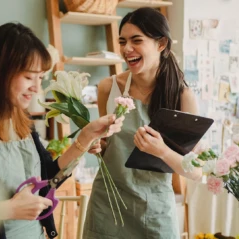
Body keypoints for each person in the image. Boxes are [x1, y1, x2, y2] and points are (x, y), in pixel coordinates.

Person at [0, 22, 124, 239]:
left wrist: (86, 137)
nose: (37, 88)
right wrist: (8, 209)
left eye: (40, 78)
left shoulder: (20, 119)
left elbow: (47, 176)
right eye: (29, 77)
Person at [83, 7, 202, 239]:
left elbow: (195, 171)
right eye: (122, 41)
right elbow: (109, 146)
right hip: (108, 206)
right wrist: (96, 144)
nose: (127, 49)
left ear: (161, 44)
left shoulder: (181, 96)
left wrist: (162, 151)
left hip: (155, 210)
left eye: (136, 40)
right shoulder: (109, 88)